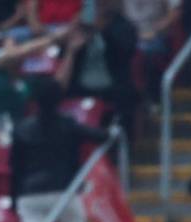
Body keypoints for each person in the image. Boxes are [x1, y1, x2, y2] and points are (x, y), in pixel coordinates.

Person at [11, 76, 108, 222]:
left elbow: (15, 168)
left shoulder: (21, 128)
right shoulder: (67, 124)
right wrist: (113, 130)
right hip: (63, 191)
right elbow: (99, 135)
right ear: (60, 100)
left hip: (29, 194)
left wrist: (13, 199)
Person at [57, 1, 138, 137]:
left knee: (126, 98)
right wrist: (72, 42)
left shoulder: (125, 27)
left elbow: (123, 54)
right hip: (80, 88)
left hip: (112, 88)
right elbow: (63, 54)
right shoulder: (81, 28)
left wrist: (101, 29)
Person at [122, 0, 181, 103]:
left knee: (148, 54)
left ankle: (152, 100)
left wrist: (155, 29)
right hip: (129, 34)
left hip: (158, 34)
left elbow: (175, 13)